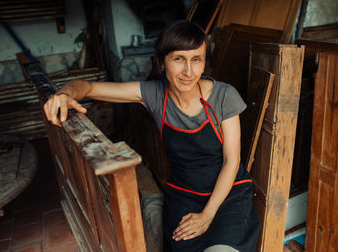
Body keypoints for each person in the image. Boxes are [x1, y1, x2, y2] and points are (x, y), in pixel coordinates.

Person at [44, 21, 260, 252]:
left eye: (196, 59)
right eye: (178, 59)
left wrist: (206, 216)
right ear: (161, 61)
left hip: (228, 194)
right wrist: (65, 94)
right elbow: (86, 86)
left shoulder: (223, 95)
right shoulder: (154, 94)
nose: (188, 72)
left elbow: (232, 162)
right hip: (185, 194)